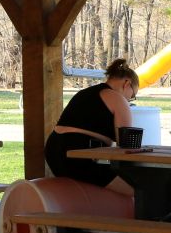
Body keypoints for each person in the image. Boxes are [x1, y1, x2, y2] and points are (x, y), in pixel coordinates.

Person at [44, 59, 139, 195]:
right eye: (133, 95)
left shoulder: (86, 92)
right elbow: (126, 144)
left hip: (54, 151)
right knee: (140, 189)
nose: (130, 99)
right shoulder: (118, 99)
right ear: (127, 83)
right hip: (79, 156)